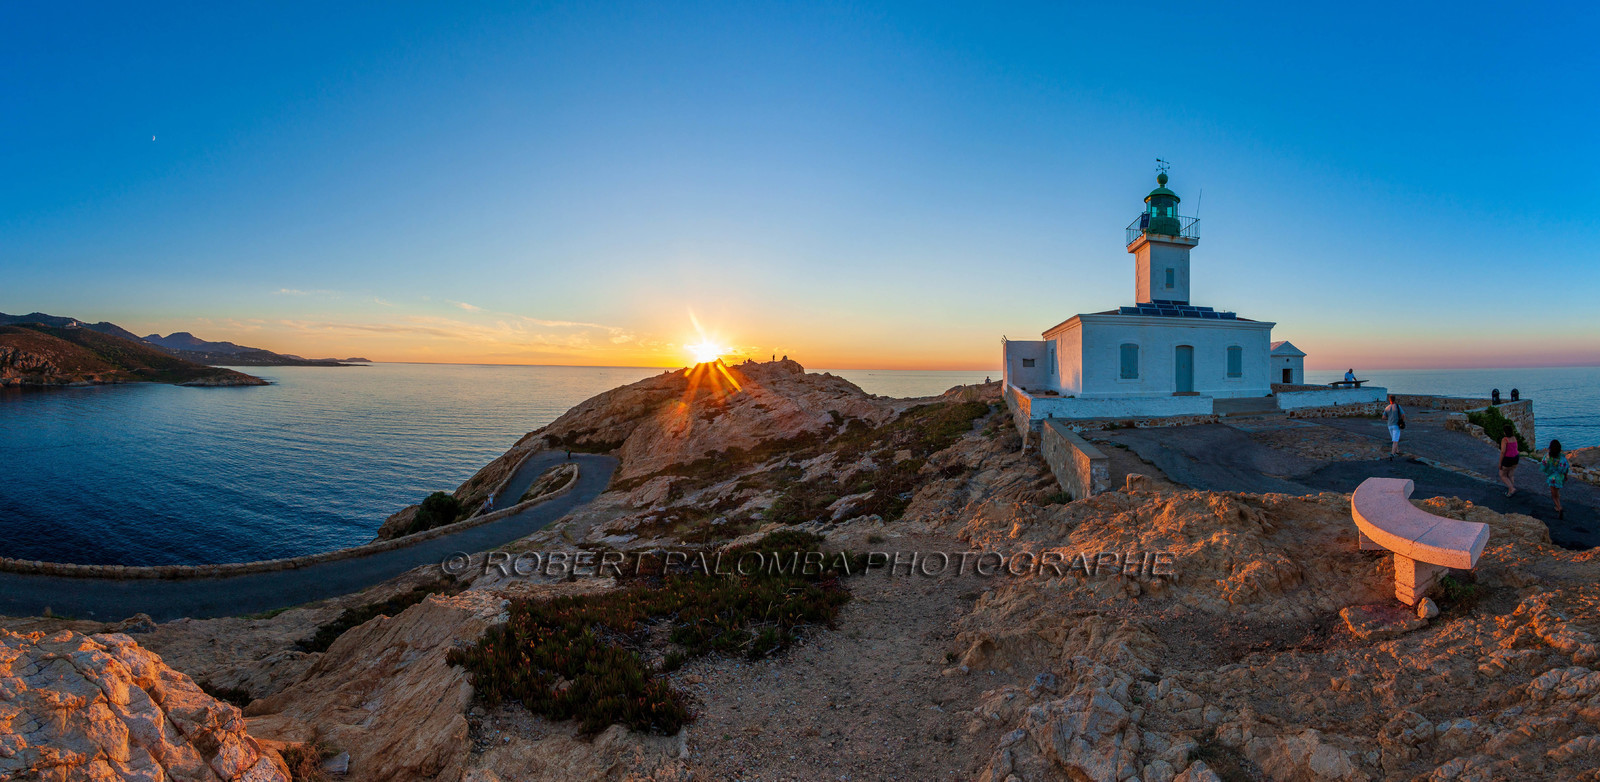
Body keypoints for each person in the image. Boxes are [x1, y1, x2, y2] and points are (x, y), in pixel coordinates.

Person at [1542, 440, 1570, 520]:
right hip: (1559, 478)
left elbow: (1544, 465)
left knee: (1553, 495)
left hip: (1551, 478)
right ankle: (1558, 506)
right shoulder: (1562, 458)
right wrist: (1566, 476)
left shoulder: (1548, 456)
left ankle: (1559, 507)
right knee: (1557, 492)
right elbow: (1565, 468)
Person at [1498, 432, 1521, 496]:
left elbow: (1503, 452)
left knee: (1502, 475)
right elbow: (1516, 448)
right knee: (1510, 475)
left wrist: (1500, 463)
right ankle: (1510, 492)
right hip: (1516, 457)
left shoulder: (1504, 440)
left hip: (1508, 458)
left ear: (1505, 432)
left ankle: (1512, 488)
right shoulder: (1514, 438)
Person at [1382, 395, 1404, 459]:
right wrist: (1402, 421)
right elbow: (1403, 415)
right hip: (1396, 425)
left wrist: (1389, 418)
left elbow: (1383, 417)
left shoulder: (1387, 408)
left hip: (1389, 425)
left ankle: (1397, 451)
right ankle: (1392, 454)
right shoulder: (1397, 406)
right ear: (1395, 399)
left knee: (1394, 439)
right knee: (1395, 440)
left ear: (1389, 400)